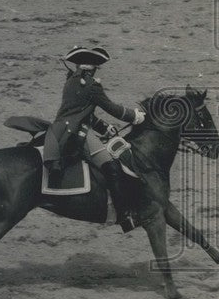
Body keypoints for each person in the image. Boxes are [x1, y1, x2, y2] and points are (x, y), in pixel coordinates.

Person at [43, 46, 146, 232]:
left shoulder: (71, 81)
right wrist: (135, 116)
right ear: (92, 68)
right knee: (111, 166)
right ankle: (124, 217)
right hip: (76, 133)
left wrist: (104, 127)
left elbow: (80, 112)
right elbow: (112, 108)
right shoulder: (91, 85)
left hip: (61, 130)